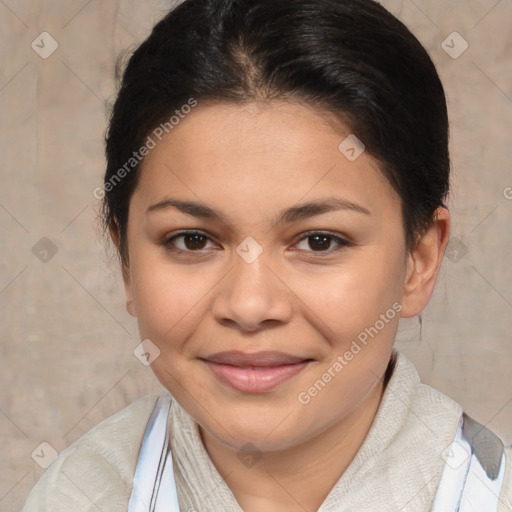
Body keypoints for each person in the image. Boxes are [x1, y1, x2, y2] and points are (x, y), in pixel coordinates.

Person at [21, 0, 512, 510]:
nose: (250, 306)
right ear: (126, 263)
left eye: (319, 241)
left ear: (419, 259)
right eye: (192, 240)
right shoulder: (74, 494)